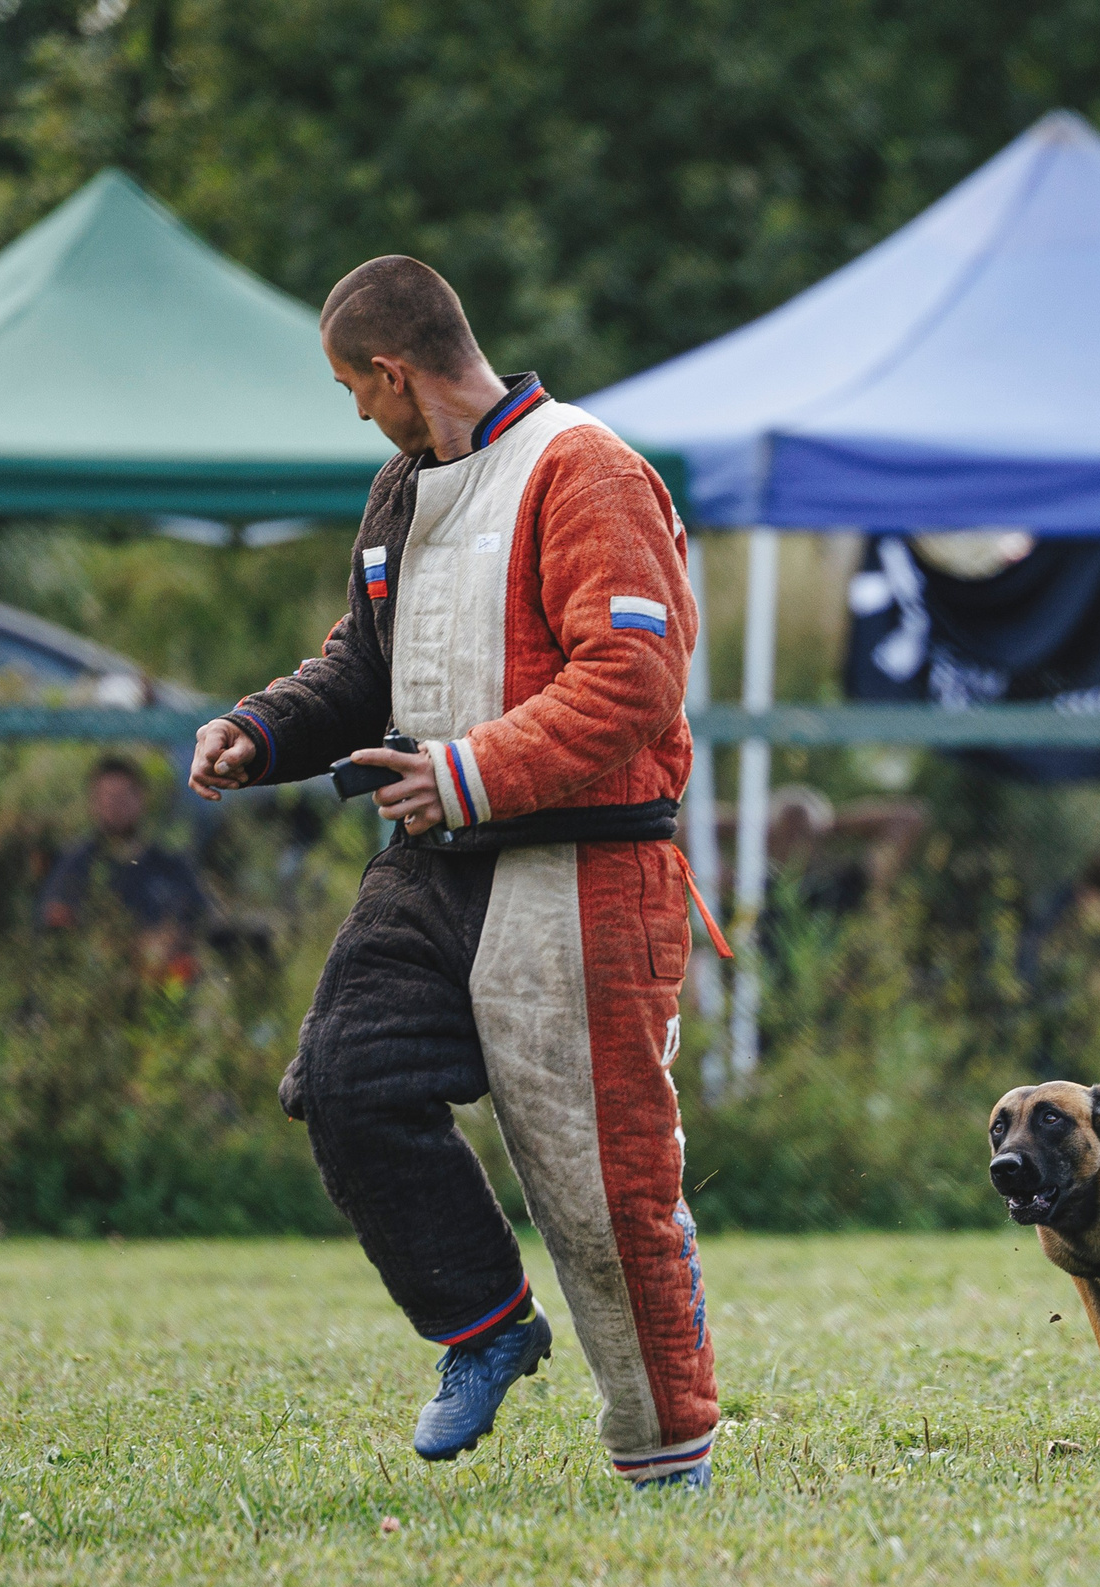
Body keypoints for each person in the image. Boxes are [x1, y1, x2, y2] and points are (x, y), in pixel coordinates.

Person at [186, 256, 716, 1489]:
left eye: (351, 390)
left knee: (603, 1187)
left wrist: (471, 770)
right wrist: (261, 729)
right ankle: (484, 1324)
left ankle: (666, 1455)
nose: (356, 413)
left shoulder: (586, 469)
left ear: (391, 371)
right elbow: (361, 663)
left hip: (585, 865)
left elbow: (633, 680)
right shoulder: (401, 487)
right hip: (434, 858)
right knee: (346, 1081)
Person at [37, 755, 211, 978]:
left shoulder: (171, 865)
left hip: (162, 981)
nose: (114, 806)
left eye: (122, 797)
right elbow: (54, 923)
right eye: (106, 797)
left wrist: (167, 943)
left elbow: (199, 921)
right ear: (93, 802)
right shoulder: (74, 864)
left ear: (141, 798)